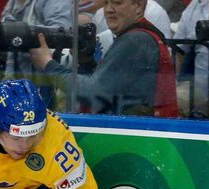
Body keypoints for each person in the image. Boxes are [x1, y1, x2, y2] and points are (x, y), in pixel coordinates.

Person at [30, 0, 178, 117]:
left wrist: (47, 64)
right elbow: (110, 90)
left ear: (139, 6)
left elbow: (94, 92)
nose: (109, 10)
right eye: (106, 3)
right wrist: (86, 63)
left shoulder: (136, 40)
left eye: (117, 3)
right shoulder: (137, 36)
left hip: (139, 138)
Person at [0, 0, 73, 108]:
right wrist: (8, 84)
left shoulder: (55, 2)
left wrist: (21, 33)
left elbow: (61, 34)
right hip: (22, 82)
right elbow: (13, 44)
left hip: (50, 81)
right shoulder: (12, 3)